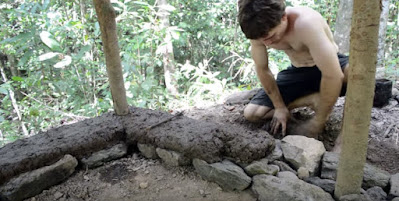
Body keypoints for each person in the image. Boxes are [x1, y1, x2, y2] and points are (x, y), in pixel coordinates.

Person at [238, 0, 349, 151]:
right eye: (262, 40)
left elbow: (333, 75)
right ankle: (312, 99)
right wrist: (279, 107)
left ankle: (345, 138)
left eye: (271, 36)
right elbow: (262, 69)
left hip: (331, 65)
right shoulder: (257, 30)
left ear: (283, 17)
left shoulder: (306, 23)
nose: (267, 43)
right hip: (298, 71)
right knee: (253, 113)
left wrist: (318, 121)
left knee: (357, 74)